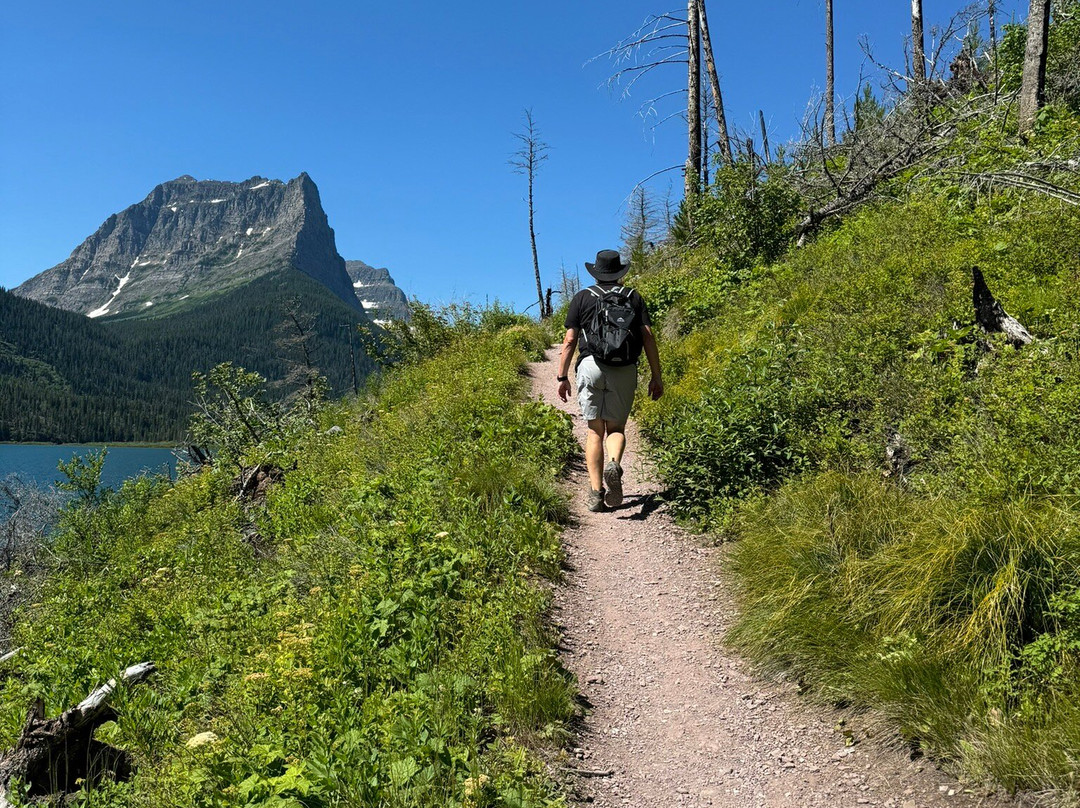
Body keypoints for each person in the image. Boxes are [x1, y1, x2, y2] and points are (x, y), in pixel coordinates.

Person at [557, 249, 663, 512]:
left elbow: (570, 340)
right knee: (616, 429)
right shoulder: (633, 297)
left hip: (591, 365)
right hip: (624, 369)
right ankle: (614, 464)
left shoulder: (583, 297)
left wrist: (562, 376)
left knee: (595, 432)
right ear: (619, 274)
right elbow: (648, 338)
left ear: (596, 272)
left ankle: (595, 494)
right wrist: (656, 376)